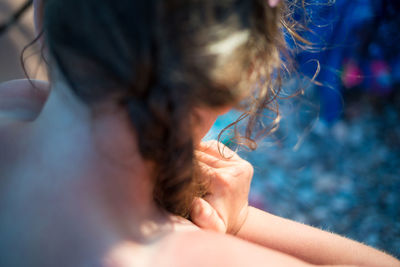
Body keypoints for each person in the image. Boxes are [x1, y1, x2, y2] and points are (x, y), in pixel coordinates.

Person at [0, 0, 399, 266]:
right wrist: (239, 222)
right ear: (242, 79)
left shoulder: (13, 104)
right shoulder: (191, 255)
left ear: (43, 12)